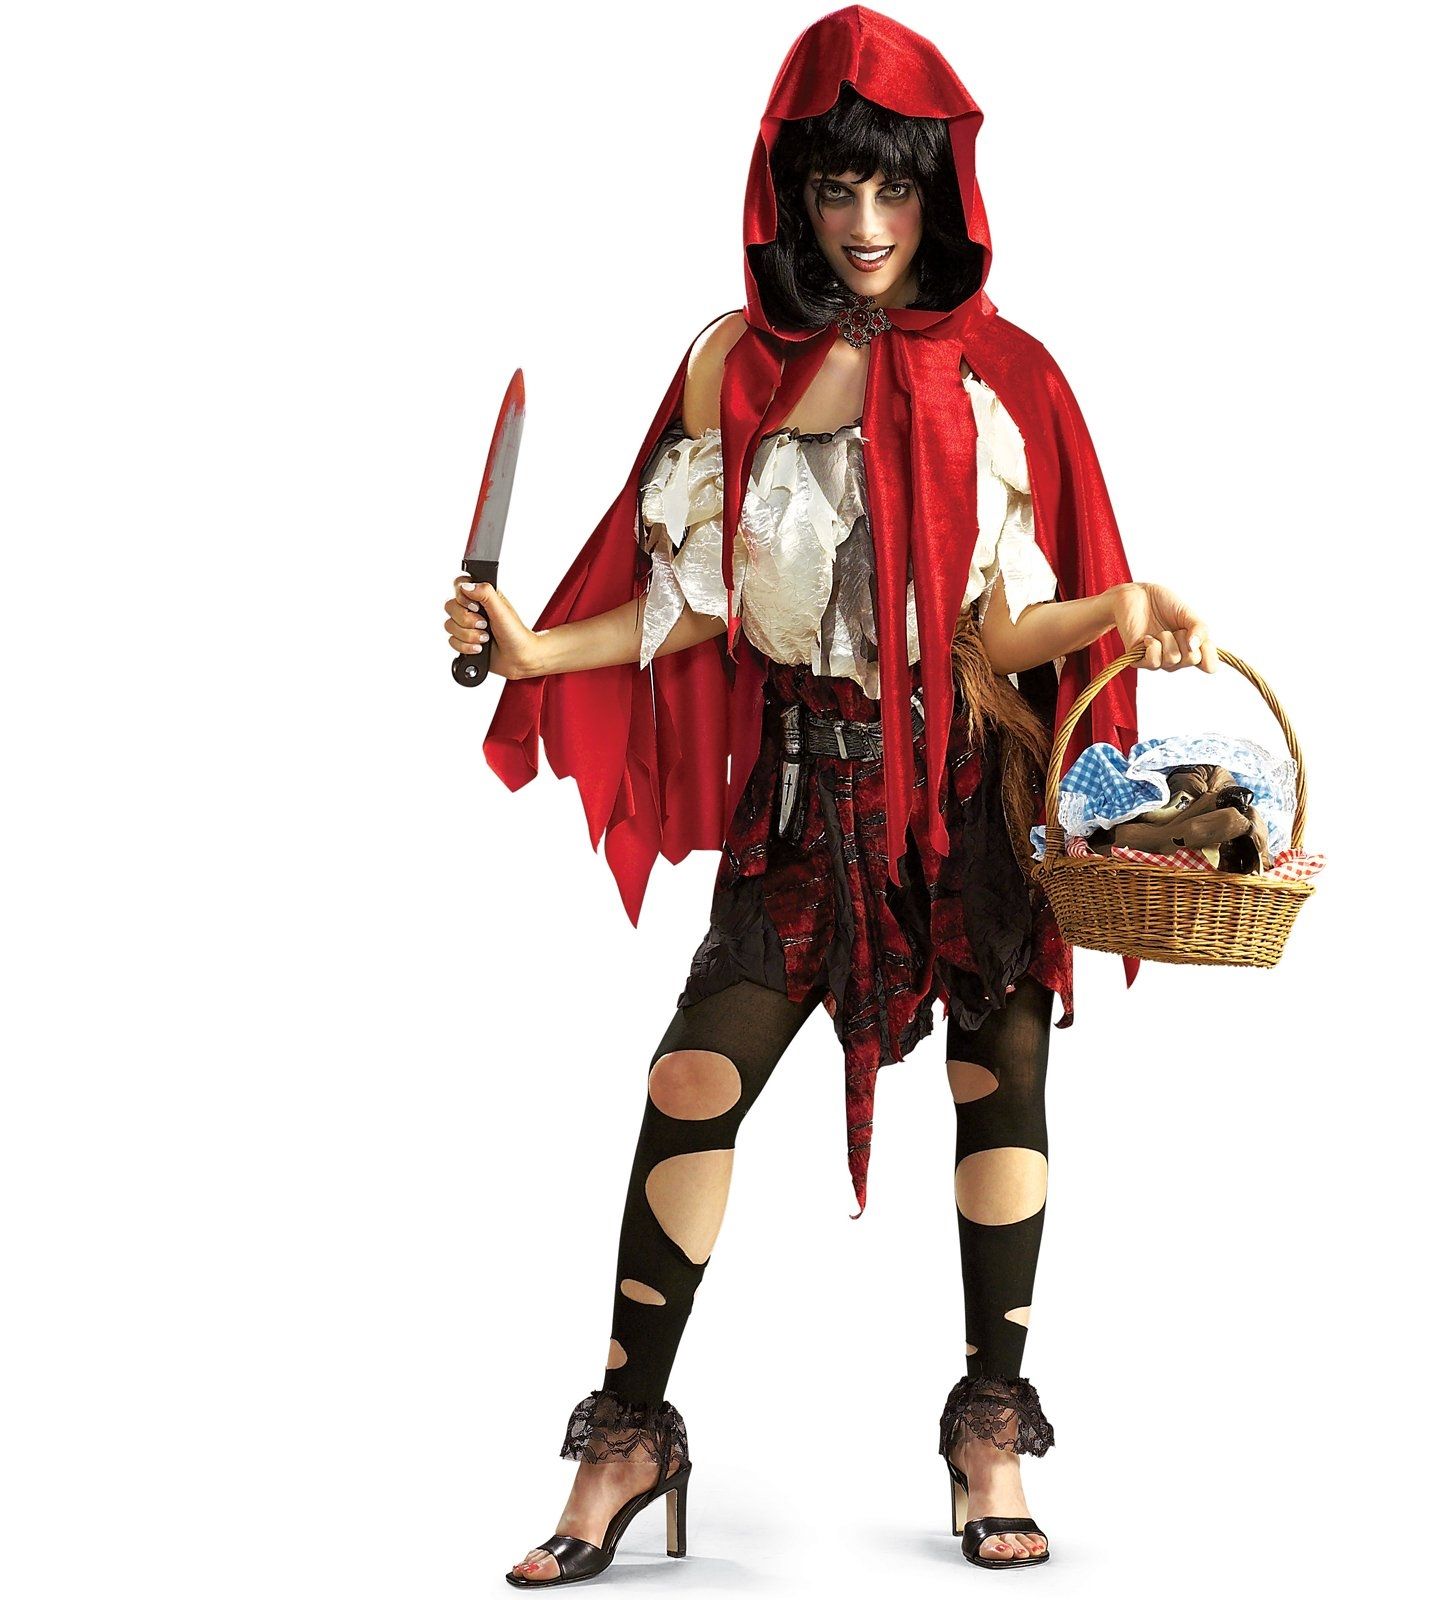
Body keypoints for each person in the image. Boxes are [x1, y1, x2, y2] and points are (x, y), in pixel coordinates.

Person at [442, 7, 1216, 1582]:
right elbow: (698, 603)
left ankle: (989, 1429)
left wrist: (1121, 610)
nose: (865, 224)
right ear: (790, 195)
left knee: (1002, 1085)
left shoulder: (997, 373)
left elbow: (999, 627)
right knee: (692, 1079)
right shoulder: (733, 368)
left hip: (969, 792)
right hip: (808, 796)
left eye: (894, 190)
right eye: (837, 190)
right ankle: (630, 1434)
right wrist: (532, 648)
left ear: (939, 196)